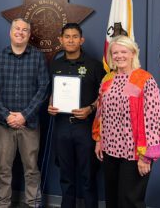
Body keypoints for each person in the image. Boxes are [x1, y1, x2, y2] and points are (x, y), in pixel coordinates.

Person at [93, 35, 160, 208]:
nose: (119, 56)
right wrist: (99, 140)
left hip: (134, 153)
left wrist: (146, 157)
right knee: (112, 198)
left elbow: (154, 119)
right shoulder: (107, 80)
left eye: (123, 51)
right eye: (115, 52)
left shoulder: (144, 79)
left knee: (130, 201)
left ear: (133, 53)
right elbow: (101, 113)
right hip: (110, 149)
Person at [0, 18, 49, 208]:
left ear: (29, 35)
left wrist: (24, 115)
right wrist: (7, 115)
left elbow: (43, 89)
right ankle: (2, 204)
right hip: (3, 124)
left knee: (31, 169)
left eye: (25, 30)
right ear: (10, 31)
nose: (20, 32)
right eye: (17, 28)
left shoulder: (38, 57)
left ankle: (32, 203)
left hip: (29, 124)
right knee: (3, 169)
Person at [48, 23, 105, 208]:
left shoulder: (94, 65)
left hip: (86, 127)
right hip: (62, 126)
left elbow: (104, 96)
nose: (71, 40)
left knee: (88, 176)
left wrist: (90, 108)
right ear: (61, 40)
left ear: (82, 40)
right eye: (67, 36)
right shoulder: (54, 64)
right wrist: (50, 104)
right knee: (66, 176)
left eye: (74, 36)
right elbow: (51, 92)